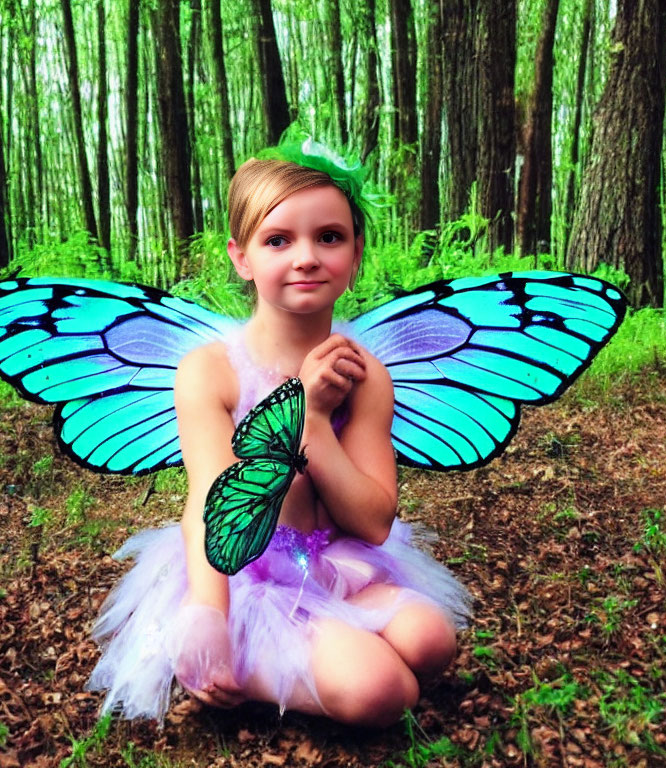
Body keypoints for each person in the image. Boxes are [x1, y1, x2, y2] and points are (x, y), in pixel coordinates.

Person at [87, 138, 471, 728]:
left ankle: (326, 640)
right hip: (243, 576)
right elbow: (215, 507)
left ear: (356, 252)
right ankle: (242, 660)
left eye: (329, 237)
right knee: (385, 690)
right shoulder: (211, 371)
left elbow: (372, 521)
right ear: (242, 258)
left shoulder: (364, 374)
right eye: (278, 240)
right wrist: (207, 614)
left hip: (334, 562)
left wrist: (314, 419)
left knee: (431, 641)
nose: (307, 257)